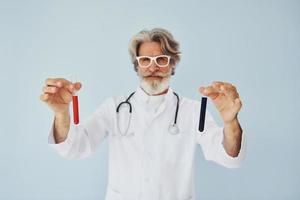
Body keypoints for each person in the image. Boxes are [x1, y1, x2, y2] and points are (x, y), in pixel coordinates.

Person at [40, 28, 246, 200]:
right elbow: (76, 147)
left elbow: (228, 156)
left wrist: (230, 123)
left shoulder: (193, 110)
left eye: (162, 59)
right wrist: (62, 115)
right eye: (145, 60)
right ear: (136, 65)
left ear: (173, 63)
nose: (153, 66)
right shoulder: (115, 107)